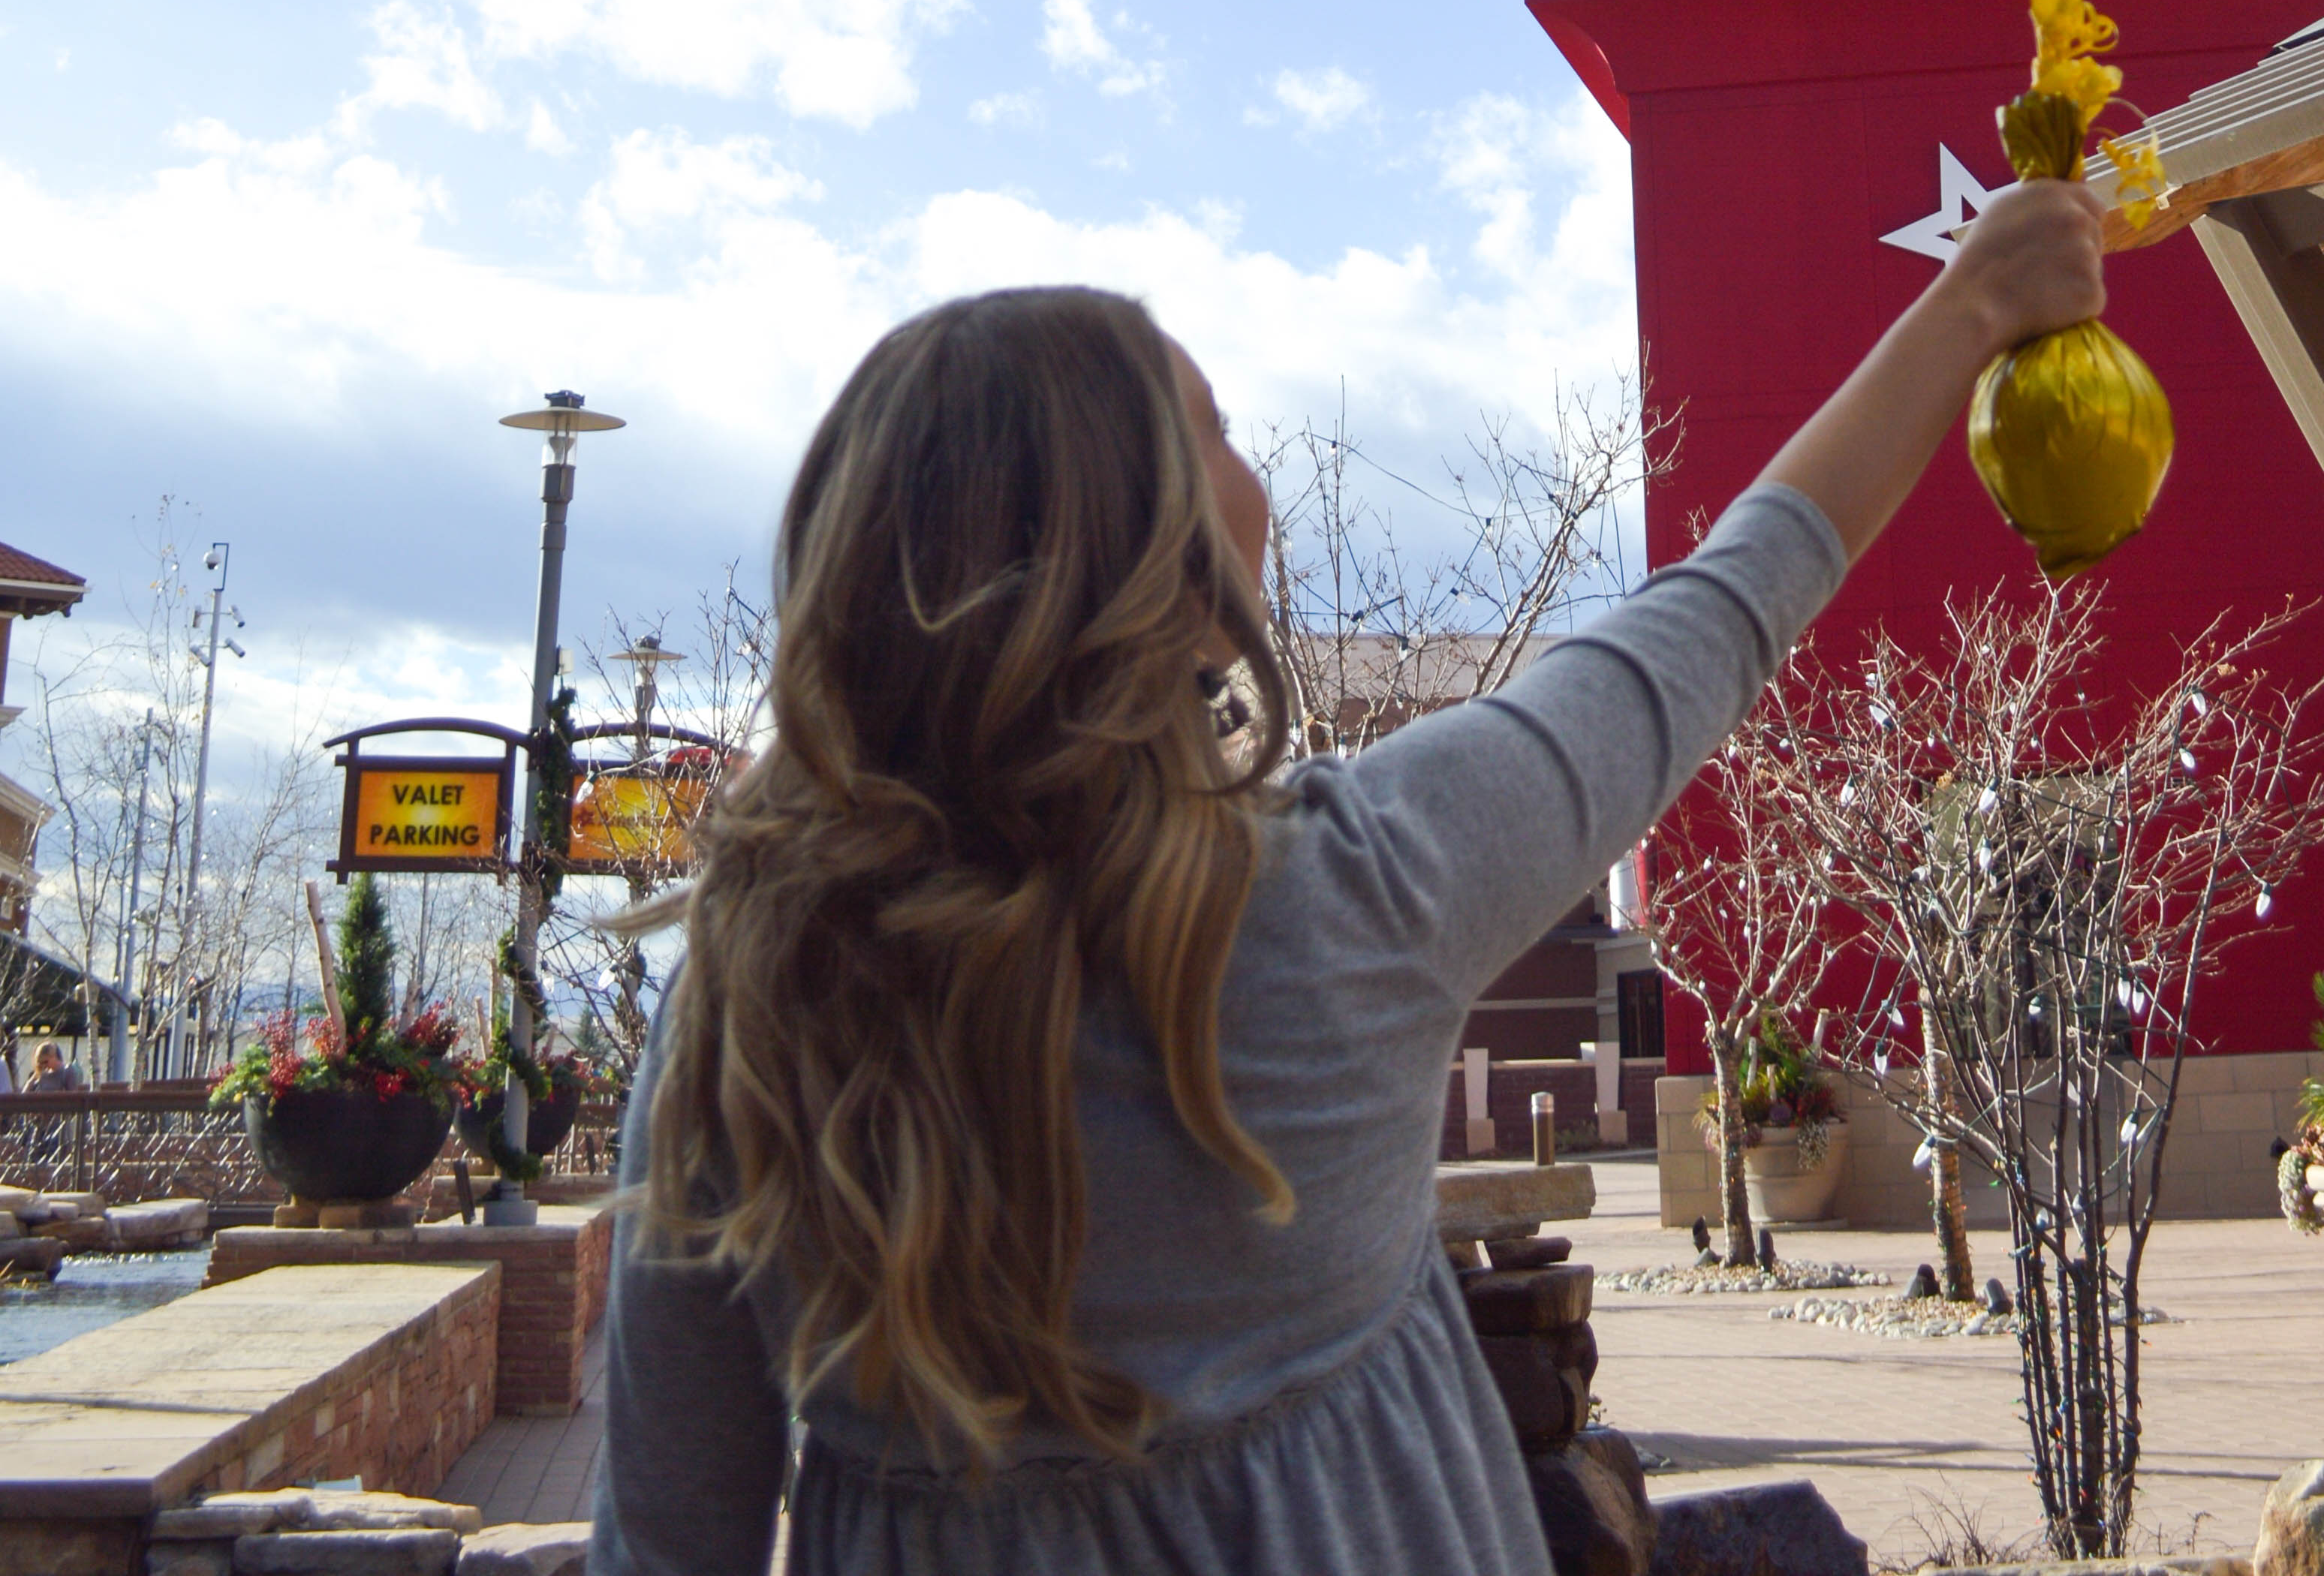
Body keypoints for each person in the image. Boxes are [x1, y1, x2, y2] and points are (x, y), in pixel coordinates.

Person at [594, 182, 2106, 1576]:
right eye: (1217, 429)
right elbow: (1720, 607)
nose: (1257, 476)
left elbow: (673, 1527)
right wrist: (1965, 306)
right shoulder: (1353, 891)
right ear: (1153, 554)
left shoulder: (744, 1004)